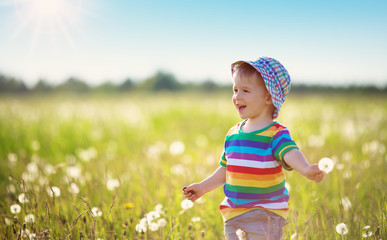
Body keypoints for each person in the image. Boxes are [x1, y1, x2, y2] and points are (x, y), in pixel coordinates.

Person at [183, 57, 324, 240]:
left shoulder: (275, 134)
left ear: (268, 97)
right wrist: (202, 187)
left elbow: (290, 152)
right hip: (233, 214)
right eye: (235, 90)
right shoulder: (233, 134)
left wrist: (305, 168)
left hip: (265, 214)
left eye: (245, 91)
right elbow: (226, 169)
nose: (237, 97)